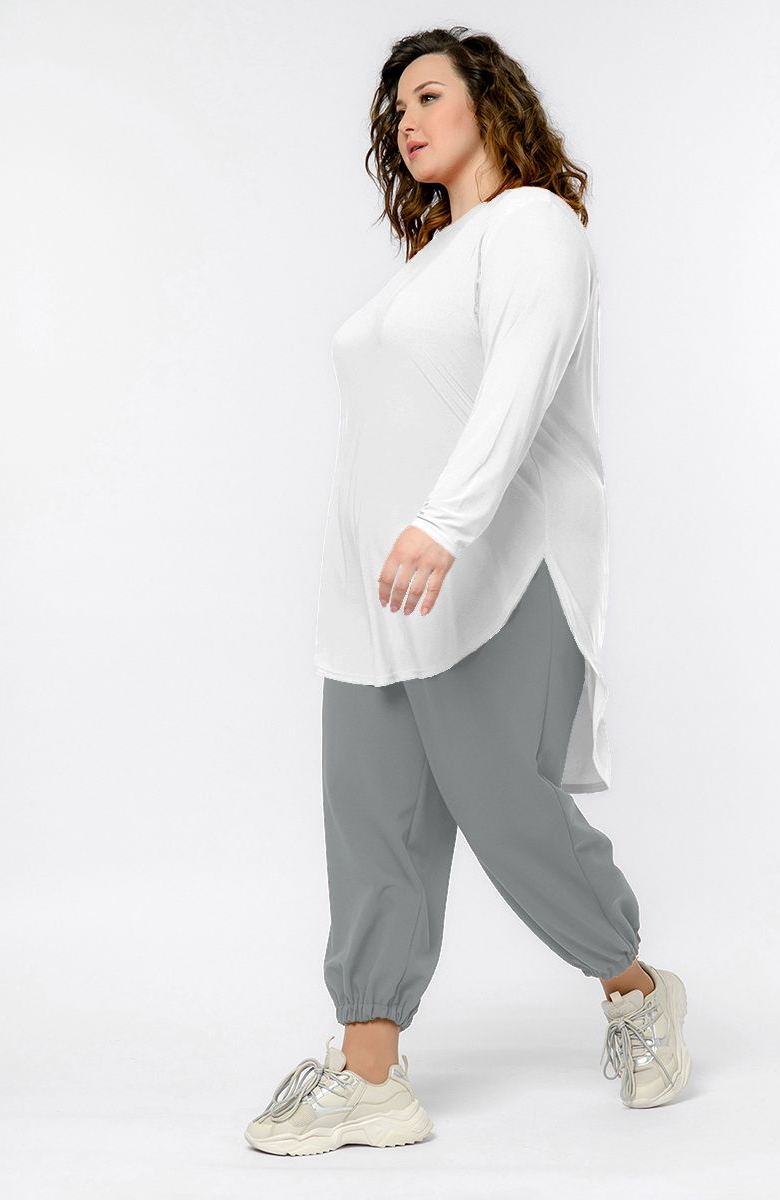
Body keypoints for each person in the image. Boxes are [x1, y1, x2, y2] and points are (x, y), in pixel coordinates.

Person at [245, 26, 691, 1157]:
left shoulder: (533, 226)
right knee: (370, 822)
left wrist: (445, 523)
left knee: (502, 806)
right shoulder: (427, 263)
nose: (406, 119)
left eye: (429, 95)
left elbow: (521, 380)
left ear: (490, 103)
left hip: (491, 569)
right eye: (395, 107)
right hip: (376, 597)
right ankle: (370, 1076)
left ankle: (637, 991)